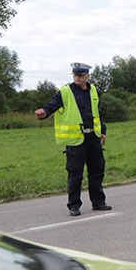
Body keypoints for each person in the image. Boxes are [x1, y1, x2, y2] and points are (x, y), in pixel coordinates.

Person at [35, 63, 111, 216]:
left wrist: (102, 131)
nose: (78, 77)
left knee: (97, 170)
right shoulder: (65, 92)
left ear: (87, 76)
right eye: (75, 75)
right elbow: (52, 106)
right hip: (76, 139)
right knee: (75, 173)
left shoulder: (93, 90)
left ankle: (98, 202)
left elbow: (98, 112)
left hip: (93, 137)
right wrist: (44, 112)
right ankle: (74, 205)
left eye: (81, 75)